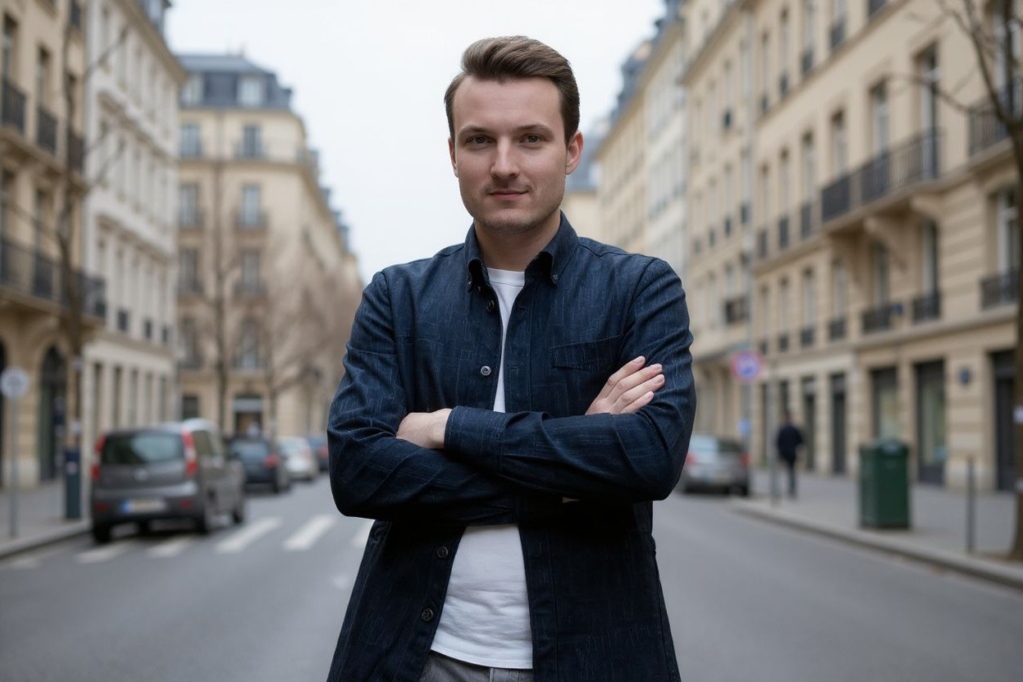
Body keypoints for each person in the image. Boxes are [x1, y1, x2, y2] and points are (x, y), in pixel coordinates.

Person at [326, 36, 696, 682]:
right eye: (479, 141)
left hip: (593, 659)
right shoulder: (396, 297)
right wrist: (575, 468)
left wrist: (447, 427)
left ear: (572, 151)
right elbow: (358, 473)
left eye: (530, 139)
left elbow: (649, 458)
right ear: (452, 154)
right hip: (416, 659)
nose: (504, 165)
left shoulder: (640, 289)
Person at [775, 410, 805, 499]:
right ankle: (790, 489)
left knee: (789, 471)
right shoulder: (791, 429)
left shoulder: (785, 429)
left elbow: (778, 442)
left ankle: (789, 489)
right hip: (790, 453)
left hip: (787, 453)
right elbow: (801, 441)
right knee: (790, 471)